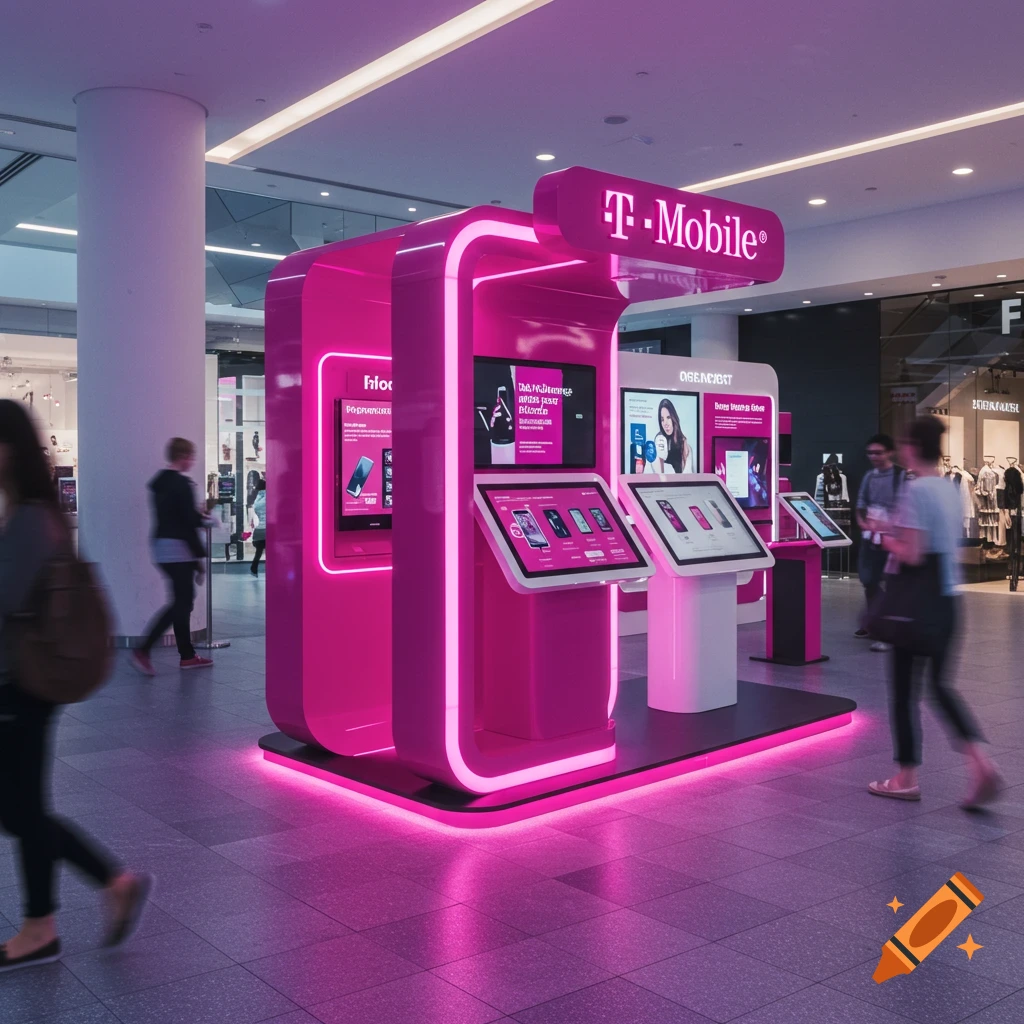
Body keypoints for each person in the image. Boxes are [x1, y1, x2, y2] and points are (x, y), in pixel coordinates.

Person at [0, 400, 151, 971]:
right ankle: (107, 884)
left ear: (8, 448)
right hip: (23, 683)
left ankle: (49, 922)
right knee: (20, 811)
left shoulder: (31, 521)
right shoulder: (32, 516)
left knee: (22, 812)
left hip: (20, 685)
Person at [869, 416, 1001, 808]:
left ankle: (906, 777)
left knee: (902, 692)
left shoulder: (916, 490)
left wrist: (882, 533)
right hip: (946, 601)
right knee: (941, 687)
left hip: (913, 607)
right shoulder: (946, 488)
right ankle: (980, 764)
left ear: (911, 447)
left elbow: (910, 551)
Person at [131, 438, 213, 674]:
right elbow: (188, 522)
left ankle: (186, 655)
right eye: (191, 456)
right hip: (179, 549)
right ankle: (144, 649)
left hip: (161, 546)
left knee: (181, 601)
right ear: (184, 456)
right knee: (181, 602)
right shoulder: (182, 484)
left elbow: (176, 517)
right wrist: (199, 558)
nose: (192, 461)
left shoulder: (160, 482)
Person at [855, 434, 903, 651]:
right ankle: (874, 622)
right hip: (871, 538)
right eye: (870, 453)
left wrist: (888, 526)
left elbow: (904, 507)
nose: (874, 457)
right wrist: (864, 524)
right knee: (869, 580)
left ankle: (887, 630)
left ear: (889, 452)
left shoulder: (900, 476)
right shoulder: (869, 476)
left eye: (878, 452)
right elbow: (861, 504)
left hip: (892, 538)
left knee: (892, 584)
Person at [654, 399, 694, 474]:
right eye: (662, 419)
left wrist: (685, 454)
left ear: (674, 418)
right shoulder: (659, 442)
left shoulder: (684, 445)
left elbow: (689, 475)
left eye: (668, 417)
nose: (665, 423)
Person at [250, 478, 266, 577]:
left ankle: (254, 568)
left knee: (258, 552)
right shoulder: (268, 497)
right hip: (268, 528)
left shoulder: (257, 499)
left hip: (259, 529)